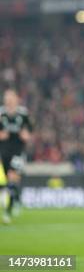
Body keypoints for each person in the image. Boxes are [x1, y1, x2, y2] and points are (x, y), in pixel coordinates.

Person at [0, 89, 32, 223]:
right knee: (8, 180)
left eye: (11, 98)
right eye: (7, 98)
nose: (9, 101)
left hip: (18, 151)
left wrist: (26, 135)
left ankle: (8, 211)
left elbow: (29, 129)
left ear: (16, 99)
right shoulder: (1, 113)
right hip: (4, 151)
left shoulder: (23, 114)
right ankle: (16, 199)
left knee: (13, 178)